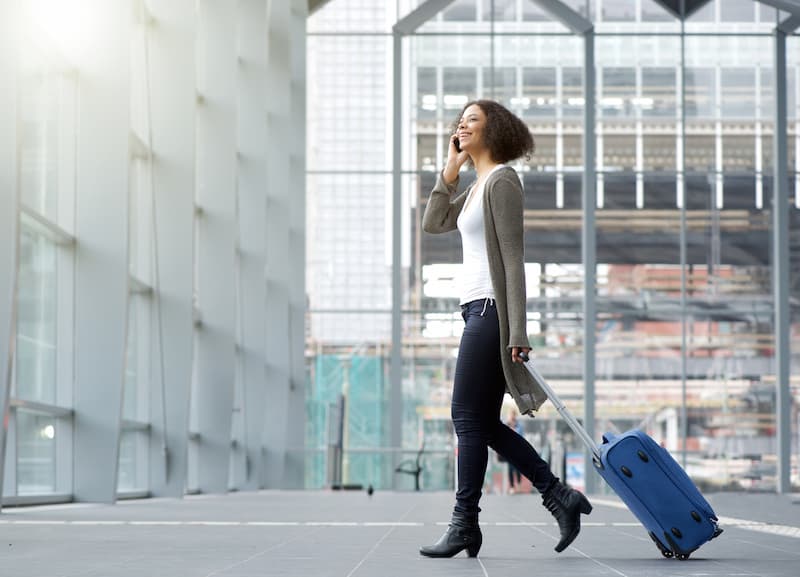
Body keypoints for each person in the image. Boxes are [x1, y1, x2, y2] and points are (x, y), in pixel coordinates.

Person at [418, 100, 592, 559]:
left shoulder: (502, 182)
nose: (462, 124)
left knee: (464, 417)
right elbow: (432, 222)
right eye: (461, 120)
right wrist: (451, 168)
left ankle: (464, 524)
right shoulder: (476, 187)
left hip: (493, 312)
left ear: (493, 130)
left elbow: (514, 261)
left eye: (471, 119)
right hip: (475, 310)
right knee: (480, 422)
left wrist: (518, 330)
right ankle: (558, 496)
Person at [505, 410, 524, 494]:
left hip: (517, 449)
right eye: (510, 415)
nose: (512, 417)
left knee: (518, 468)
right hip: (508, 449)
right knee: (510, 469)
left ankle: (519, 485)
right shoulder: (506, 425)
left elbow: (521, 436)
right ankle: (512, 487)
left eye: (513, 415)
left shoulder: (519, 425)